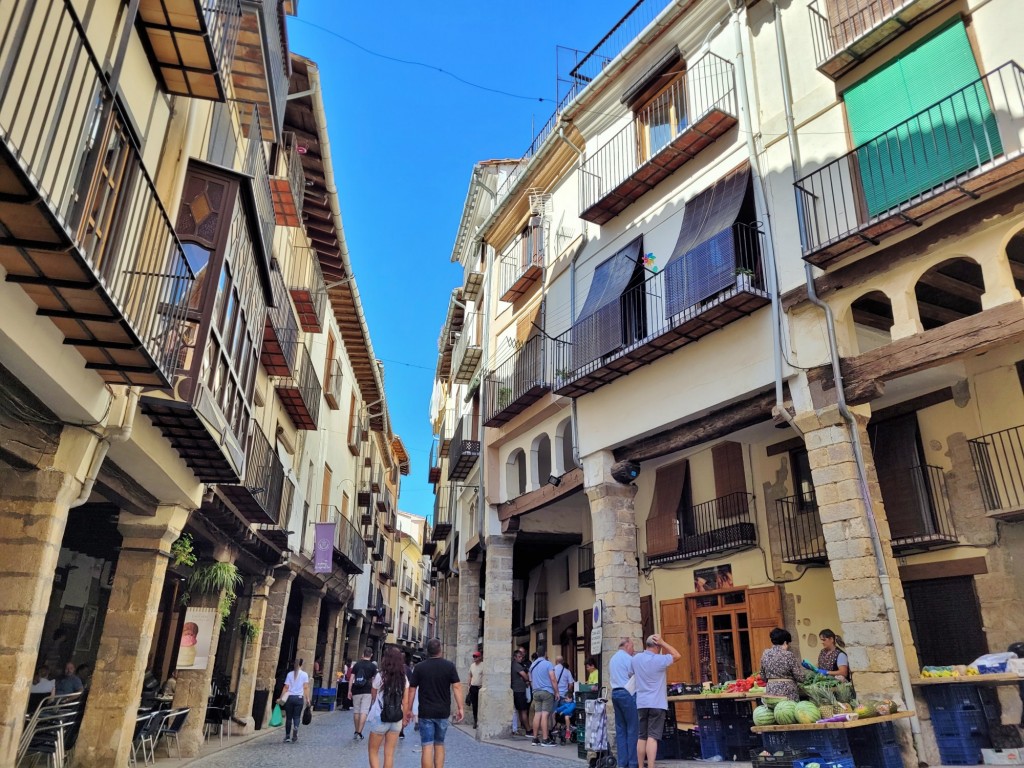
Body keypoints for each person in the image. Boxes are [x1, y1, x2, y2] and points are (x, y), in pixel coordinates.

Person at [405, 638, 463, 768]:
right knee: (439, 744)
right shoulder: (449, 666)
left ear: (427, 651)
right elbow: (457, 687)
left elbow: (412, 691)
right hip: (442, 712)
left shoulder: (419, 668)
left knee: (427, 746)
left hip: (425, 712)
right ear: (440, 650)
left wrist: (409, 710)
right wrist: (460, 708)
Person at [632, 634, 682, 768]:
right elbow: (677, 655)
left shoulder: (636, 659)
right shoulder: (660, 660)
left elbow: (630, 673)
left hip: (641, 702)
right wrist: (664, 642)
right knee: (652, 737)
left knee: (641, 736)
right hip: (657, 703)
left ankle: (641, 766)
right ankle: (651, 766)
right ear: (657, 646)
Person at [367, 647, 408, 768]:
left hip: (380, 716)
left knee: (373, 751)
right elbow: (405, 701)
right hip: (396, 718)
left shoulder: (380, 676)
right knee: (389, 754)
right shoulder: (403, 678)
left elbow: (373, 694)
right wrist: (404, 718)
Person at [610, 637, 639, 768]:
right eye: (632, 647)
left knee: (621, 729)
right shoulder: (628, 659)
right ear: (627, 645)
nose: (633, 650)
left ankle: (623, 763)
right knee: (633, 728)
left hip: (615, 693)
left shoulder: (612, 659)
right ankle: (633, 763)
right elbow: (634, 674)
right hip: (627, 693)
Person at [759, 627, 808, 702]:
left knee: (775, 711)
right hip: (787, 692)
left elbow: (763, 676)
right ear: (785, 642)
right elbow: (799, 677)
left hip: (771, 691)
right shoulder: (788, 655)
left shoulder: (765, 654)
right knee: (788, 711)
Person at [528, 649, 558, 747]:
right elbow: (553, 678)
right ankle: (545, 739)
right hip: (546, 691)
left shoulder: (532, 666)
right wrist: (556, 692)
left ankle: (535, 738)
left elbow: (531, 681)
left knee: (537, 714)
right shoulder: (548, 664)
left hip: (536, 692)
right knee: (545, 715)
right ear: (545, 653)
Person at [279, 657, 311, 744]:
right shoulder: (304, 675)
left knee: (288, 718)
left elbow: (286, 687)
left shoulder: (290, 674)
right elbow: (305, 687)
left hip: (290, 697)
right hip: (299, 698)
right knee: (296, 717)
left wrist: (281, 697)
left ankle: (287, 736)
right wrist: (308, 699)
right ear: (301, 664)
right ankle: (296, 728)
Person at [348, 647, 378, 740]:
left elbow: (351, 678)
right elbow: (375, 681)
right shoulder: (373, 667)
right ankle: (359, 731)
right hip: (367, 691)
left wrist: (349, 690)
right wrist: (375, 694)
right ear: (371, 655)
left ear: (363, 654)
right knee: (364, 711)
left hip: (356, 690)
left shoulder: (357, 665)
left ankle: (356, 730)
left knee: (356, 711)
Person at [551, 655, 575, 743]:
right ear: (563, 661)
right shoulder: (567, 671)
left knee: (555, 712)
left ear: (556, 661)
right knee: (564, 714)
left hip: (554, 694)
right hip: (564, 696)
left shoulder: (552, 670)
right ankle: (563, 729)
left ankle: (555, 728)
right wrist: (568, 693)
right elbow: (571, 684)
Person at [511, 648, 531, 736]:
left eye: (521, 657)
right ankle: (528, 729)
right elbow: (525, 676)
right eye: (519, 657)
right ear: (515, 657)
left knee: (520, 710)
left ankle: (522, 727)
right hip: (519, 690)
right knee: (523, 710)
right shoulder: (517, 665)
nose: (520, 658)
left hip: (517, 690)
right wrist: (526, 679)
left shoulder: (515, 664)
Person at [467, 651, 483, 728]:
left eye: (476, 657)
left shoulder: (483, 665)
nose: (475, 658)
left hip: (480, 688)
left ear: (480, 657)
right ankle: (475, 720)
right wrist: (469, 684)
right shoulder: (472, 665)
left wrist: (483, 685)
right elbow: (470, 675)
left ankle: (481, 720)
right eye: (474, 657)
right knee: (474, 705)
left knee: (481, 705)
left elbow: (485, 676)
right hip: (473, 687)